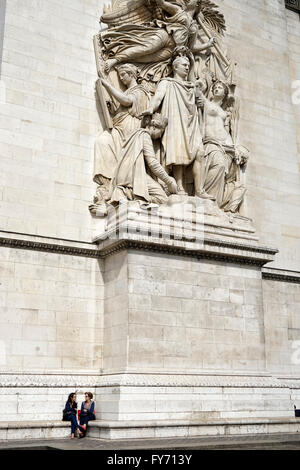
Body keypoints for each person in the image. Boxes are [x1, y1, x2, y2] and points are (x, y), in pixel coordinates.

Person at [90, 64, 150, 214]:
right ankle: (107, 186)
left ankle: (123, 191)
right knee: (102, 142)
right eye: (120, 75)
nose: (121, 78)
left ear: (131, 74)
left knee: (125, 162)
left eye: (124, 75)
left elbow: (127, 101)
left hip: (130, 129)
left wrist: (108, 85)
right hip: (119, 128)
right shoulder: (129, 90)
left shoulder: (140, 90)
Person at [142, 54, 203, 195]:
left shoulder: (192, 86)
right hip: (175, 120)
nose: (187, 67)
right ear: (175, 67)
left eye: (188, 65)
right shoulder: (167, 83)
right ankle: (180, 186)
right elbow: (158, 97)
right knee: (178, 152)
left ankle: (200, 190)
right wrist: (151, 108)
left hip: (192, 122)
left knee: (200, 153)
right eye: (184, 65)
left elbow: (200, 102)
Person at [109, 113, 178, 206]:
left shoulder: (136, 133)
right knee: (163, 198)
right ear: (154, 127)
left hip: (125, 175)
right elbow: (152, 163)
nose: (160, 136)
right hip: (132, 176)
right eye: (161, 132)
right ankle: (127, 194)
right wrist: (169, 181)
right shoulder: (145, 135)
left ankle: (126, 194)